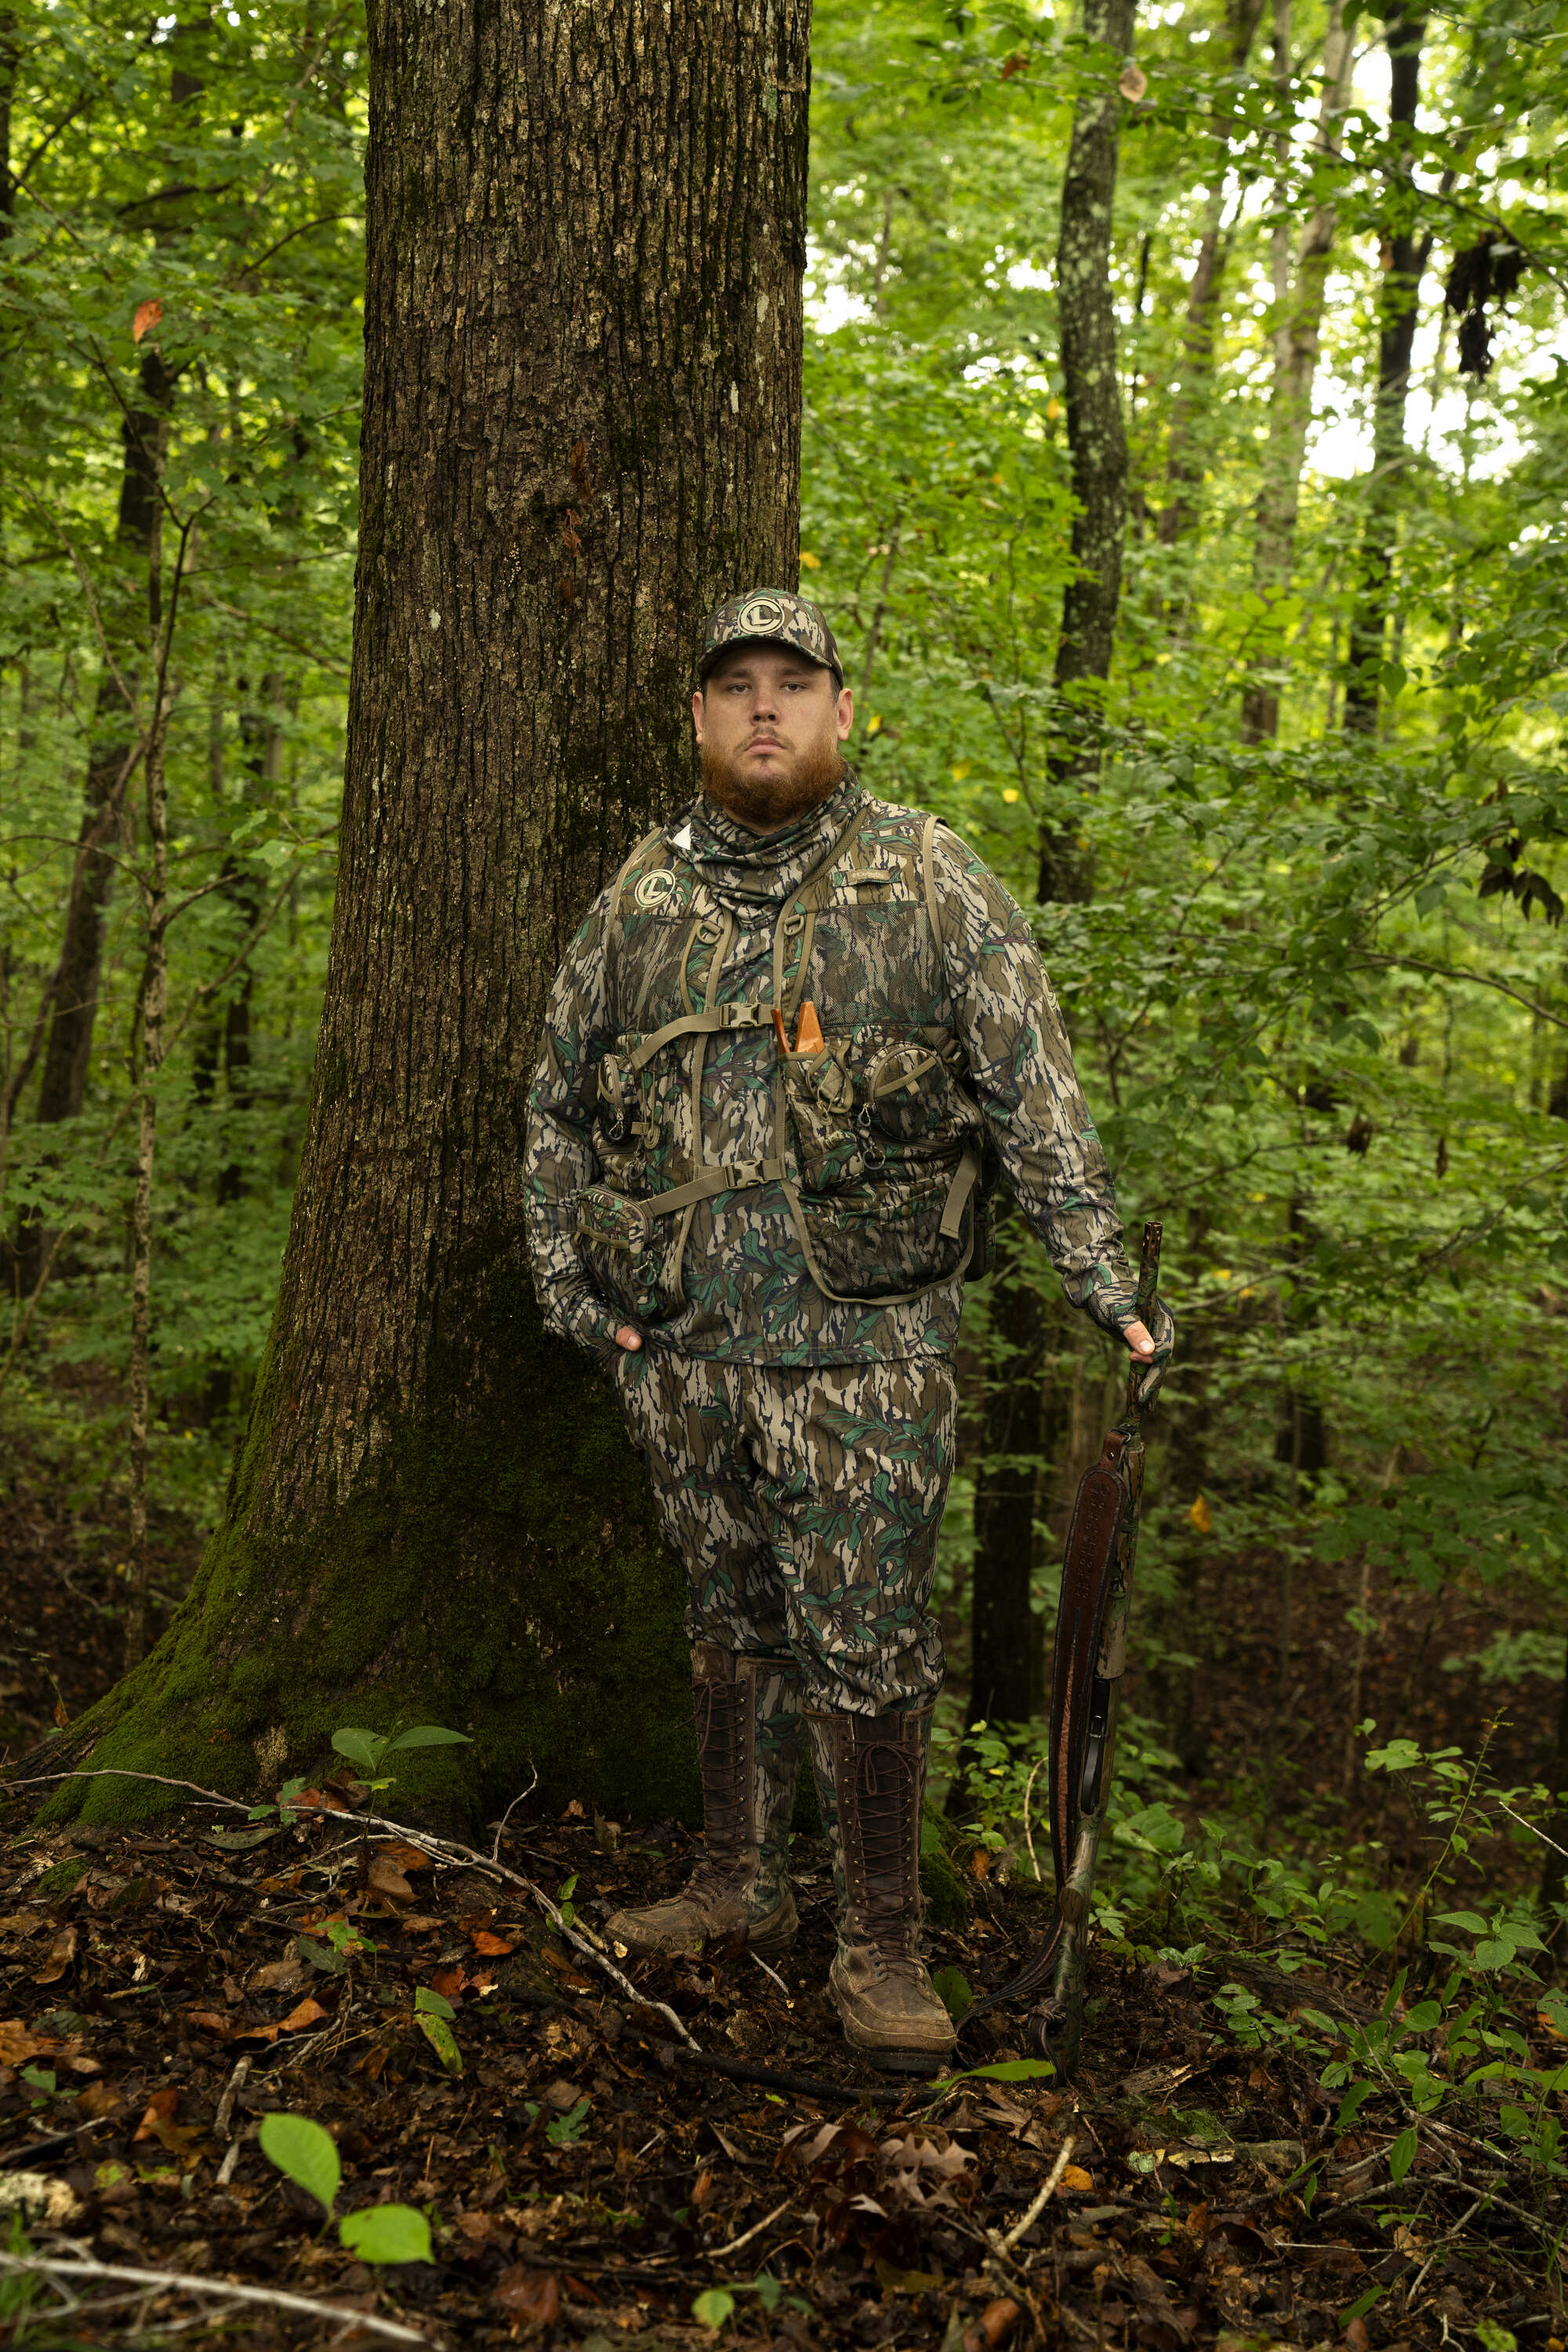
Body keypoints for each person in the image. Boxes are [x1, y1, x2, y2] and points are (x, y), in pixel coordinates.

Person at [524, 589, 1171, 2073]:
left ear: (840, 712)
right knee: (726, 1620)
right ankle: (734, 1880)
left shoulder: (929, 881)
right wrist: (575, 1291)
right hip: (682, 1346)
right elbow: (559, 1102)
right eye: (736, 687)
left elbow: (1032, 1096)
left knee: (869, 1643)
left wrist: (1109, 1286)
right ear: (697, 718)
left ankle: (882, 1939)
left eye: (792, 686)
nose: (764, 708)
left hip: (864, 1352)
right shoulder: (638, 900)